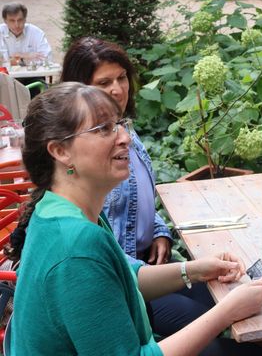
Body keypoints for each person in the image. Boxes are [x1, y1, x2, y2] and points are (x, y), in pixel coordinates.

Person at [6, 83, 262, 354]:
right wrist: (226, 312)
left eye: (119, 124)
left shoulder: (61, 210)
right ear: (61, 151)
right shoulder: (76, 247)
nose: (124, 137)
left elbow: (125, 277)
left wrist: (195, 270)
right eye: (103, 129)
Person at [59, 36, 214, 338]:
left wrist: (158, 230)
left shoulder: (122, 127)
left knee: (218, 292)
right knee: (210, 315)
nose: (117, 89)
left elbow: (136, 198)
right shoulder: (90, 156)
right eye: (104, 83)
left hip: (146, 260)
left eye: (121, 78)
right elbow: (101, 246)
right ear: (80, 89)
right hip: (125, 282)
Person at [1, 2, 53, 96]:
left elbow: (47, 59)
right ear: (5, 21)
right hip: (6, 80)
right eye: (12, 20)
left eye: (20, 20)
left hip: (33, 78)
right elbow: (2, 62)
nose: (16, 25)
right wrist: (26, 57)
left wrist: (17, 57)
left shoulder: (35, 32)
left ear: (25, 19)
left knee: (41, 94)